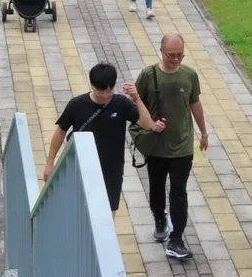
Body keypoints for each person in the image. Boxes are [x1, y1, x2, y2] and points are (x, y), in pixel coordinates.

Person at [44, 63, 166, 217]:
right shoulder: (77, 104)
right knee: (81, 212)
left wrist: (137, 99)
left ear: (113, 86)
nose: (103, 96)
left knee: (108, 213)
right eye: (99, 91)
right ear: (91, 85)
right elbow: (60, 132)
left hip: (111, 169)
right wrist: (50, 163)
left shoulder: (121, 103)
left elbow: (148, 125)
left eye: (108, 91)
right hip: (81, 166)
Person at [134, 34, 208, 260]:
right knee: (156, 187)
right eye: (170, 55)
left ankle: (176, 239)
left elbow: (194, 103)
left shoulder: (190, 76)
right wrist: (149, 124)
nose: (175, 59)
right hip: (156, 146)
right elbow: (136, 106)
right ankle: (159, 217)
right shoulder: (148, 75)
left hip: (182, 146)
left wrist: (204, 133)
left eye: (179, 55)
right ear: (161, 51)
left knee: (179, 191)